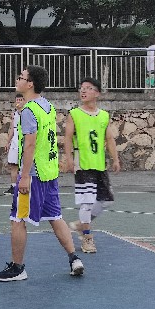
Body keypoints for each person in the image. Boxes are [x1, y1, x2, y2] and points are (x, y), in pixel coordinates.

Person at [0, 65, 84, 281]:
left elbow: (31, 144)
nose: (17, 80)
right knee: (55, 216)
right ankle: (74, 259)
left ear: (30, 84)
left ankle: (18, 268)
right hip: (49, 172)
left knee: (18, 218)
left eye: (21, 77)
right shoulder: (48, 106)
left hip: (34, 175)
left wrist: (24, 176)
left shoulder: (28, 110)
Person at [61, 77, 120, 254]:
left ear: (97, 93)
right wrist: (69, 158)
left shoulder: (103, 116)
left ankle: (81, 225)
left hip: (99, 164)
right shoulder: (74, 114)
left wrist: (115, 159)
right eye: (81, 88)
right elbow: (68, 138)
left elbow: (109, 139)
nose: (83, 91)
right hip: (82, 164)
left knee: (106, 200)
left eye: (88, 88)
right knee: (86, 202)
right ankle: (87, 238)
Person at [4, 93, 23, 195]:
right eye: (17, 100)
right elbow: (12, 128)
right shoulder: (14, 114)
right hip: (15, 142)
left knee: (24, 166)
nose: (18, 102)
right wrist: (8, 142)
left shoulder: (27, 113)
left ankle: (24, 185)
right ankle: (13, 186)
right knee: (13, 165)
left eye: (20, 100)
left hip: (24, 141)